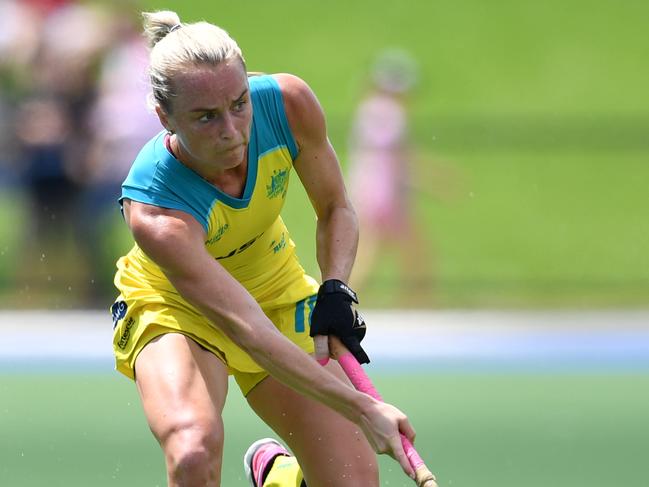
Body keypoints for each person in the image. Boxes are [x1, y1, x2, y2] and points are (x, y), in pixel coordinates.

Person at [110, 10, 417, 487]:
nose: (231, 131)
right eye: (206, 117)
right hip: (175, 306)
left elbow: (336, 207)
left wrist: (337, 289)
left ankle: (277, 478)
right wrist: (365, 408)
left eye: (237, 104)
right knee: (193, 451)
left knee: (352, 481)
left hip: (276, 288)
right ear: (164, 117)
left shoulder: (286, 103)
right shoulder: (156, 212)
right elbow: (246, 330)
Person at [346, 49, 435, 305]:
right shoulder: (390, 113)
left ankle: (418, 302)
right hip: (384, 193)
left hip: (367, 188)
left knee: (393, 250)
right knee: (383, 252)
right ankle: (419, 304)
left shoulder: (368, 110)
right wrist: (432, 179)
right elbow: (397, 158)